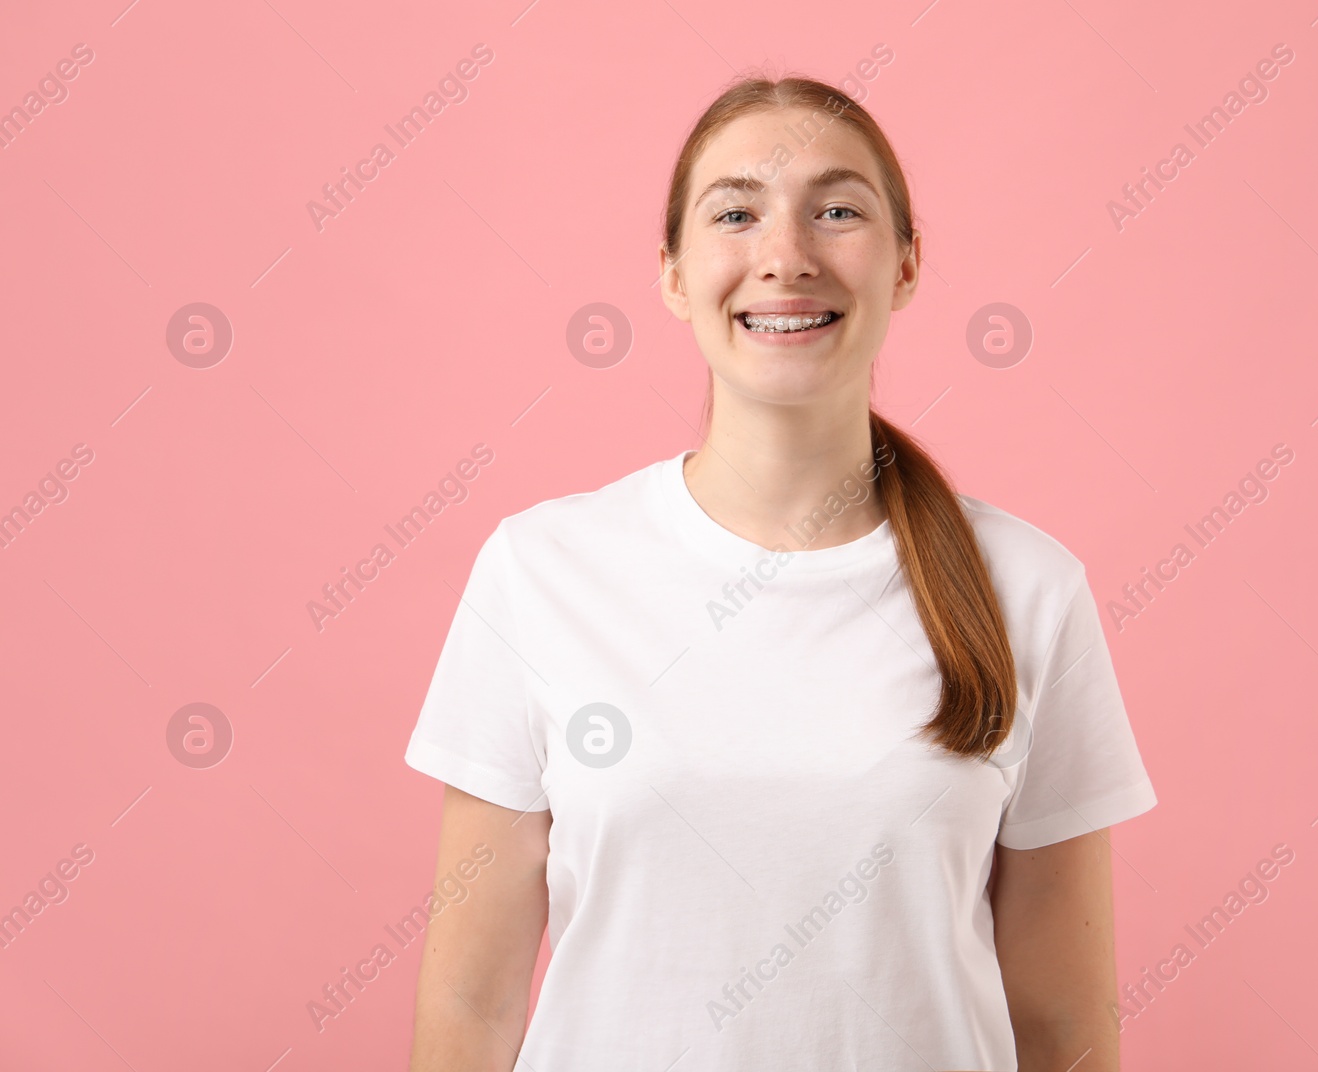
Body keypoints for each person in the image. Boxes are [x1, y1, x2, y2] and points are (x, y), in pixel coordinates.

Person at [404, 72, 1157, 1072]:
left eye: (837, 210)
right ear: (672, 273)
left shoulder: (1028, 588)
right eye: (736, 214)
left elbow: (1063, 1029)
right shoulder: (539, 571)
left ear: (905, 265)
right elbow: (470, 1003)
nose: (785, 257)